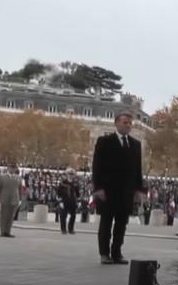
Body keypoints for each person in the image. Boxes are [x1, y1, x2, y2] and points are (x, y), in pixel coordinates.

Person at [91, 112, 145, 264]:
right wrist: (98, 188)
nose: (127, 125)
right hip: (107, 191)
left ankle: (117, 253)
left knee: (121, 225)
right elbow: (97, 166)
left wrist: (138, 190)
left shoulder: (135, 144)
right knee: (106, 223)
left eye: (129, 123)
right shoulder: (104, 141)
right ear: (116, 123)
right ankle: (104, 253)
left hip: (126, 191)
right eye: (124, 122)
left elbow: (137, 169)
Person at [0, 163, 21, 238]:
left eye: (14, 168)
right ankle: (3, 231)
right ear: (8, 168)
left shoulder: (18, 178)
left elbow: (20, 189)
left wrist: (20, 199)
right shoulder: (2, 177)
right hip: (4, 199)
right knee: (3, 216)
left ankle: (8, 231)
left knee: (11, 216)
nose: (13, 169)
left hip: (14, 199)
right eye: (11, 168)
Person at [57, 168, 81, 235]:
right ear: (67, 175)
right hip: (64, 201)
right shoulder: (62, 183)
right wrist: (60, 202)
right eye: (69, 174)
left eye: (72, 174)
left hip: (72, 202)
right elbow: (58, 193)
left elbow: (78, 193)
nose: (70, 175)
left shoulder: (75, 183)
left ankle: (71, 229)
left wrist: (79, 202)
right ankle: (63, 230)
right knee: (63, 216)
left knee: (73, 216)